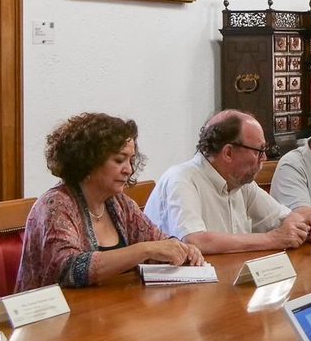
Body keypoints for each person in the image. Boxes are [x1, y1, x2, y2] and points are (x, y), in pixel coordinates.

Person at [16, 113, 203, 290]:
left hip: (107, 314)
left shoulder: (119, 203)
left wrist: (183, 250)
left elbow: (157, 244)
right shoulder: (55, 205)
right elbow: (69, 270)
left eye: (131, 161)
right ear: (89, 160)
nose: (128, 170)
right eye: (119, 160)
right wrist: (144, 250)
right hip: (53, 319)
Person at [144, 110, 311, 254]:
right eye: (259, 150)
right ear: (228, 153)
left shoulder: (241, 182)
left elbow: (282, 217)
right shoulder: (182, 179)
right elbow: (195, 240)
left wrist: (305, 223)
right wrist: (272, 239)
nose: (264, 158)